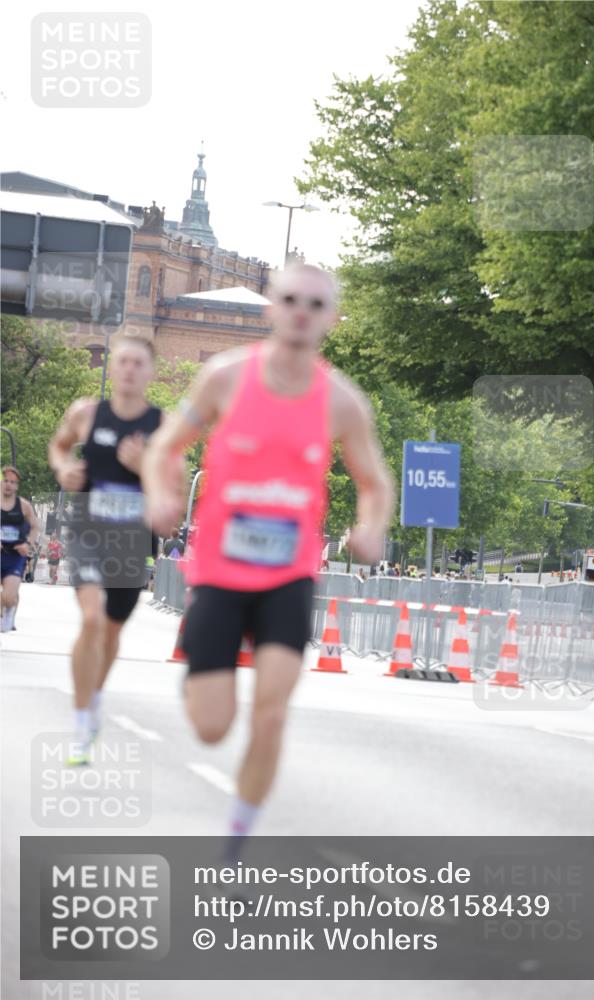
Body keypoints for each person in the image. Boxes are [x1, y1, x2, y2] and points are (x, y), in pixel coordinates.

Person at [143, 262, 394, 856]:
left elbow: (375, 481)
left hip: (288, 575)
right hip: (221, 575)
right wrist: (162, 495)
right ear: (270, 309)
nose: (301, 311)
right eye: (290, 299)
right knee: (212, 725)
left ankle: (237, 839)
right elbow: (164, 447)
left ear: (330, 318)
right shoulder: (224, 378)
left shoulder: (342, 402)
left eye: (315, 303)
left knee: (273, 714)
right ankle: (207, 682)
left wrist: (371, 527)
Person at [48, 336, 173, 765]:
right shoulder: (86, 412)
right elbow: (59, 445)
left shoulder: (164, 425)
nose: (129, 370)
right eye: (122, 361)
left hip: (132, 539)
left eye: (139, 363)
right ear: (112, 366)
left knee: (112, 631)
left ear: (151, 371)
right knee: (91, 617)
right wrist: (64, 467)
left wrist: (146, 468)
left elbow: (173, 494)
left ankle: (94, 696)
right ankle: (81, 722)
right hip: (88, 529)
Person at [1, 466, 40, 632]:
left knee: (9, 597)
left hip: (15, 555)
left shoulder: (24, 506)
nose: (9, 485)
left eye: (13, 482)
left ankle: (9, 608)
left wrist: (28, 544)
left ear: (17, 486)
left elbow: (35, 527)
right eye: (6, 481)